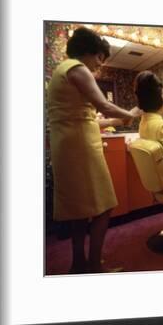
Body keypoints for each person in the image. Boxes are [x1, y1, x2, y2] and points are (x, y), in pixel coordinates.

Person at [47, 27, 141, 273]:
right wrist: (129, 116)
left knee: (80, 210)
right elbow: (103, 105)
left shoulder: (62, 71)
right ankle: (93, 267)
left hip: (69, 142)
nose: (99, 65)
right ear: (88, 52)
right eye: (100, 57)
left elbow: (89, 118)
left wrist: (117, 121)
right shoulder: (77, 69)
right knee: (104, 205)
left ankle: (79, 264)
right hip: (79, 145)